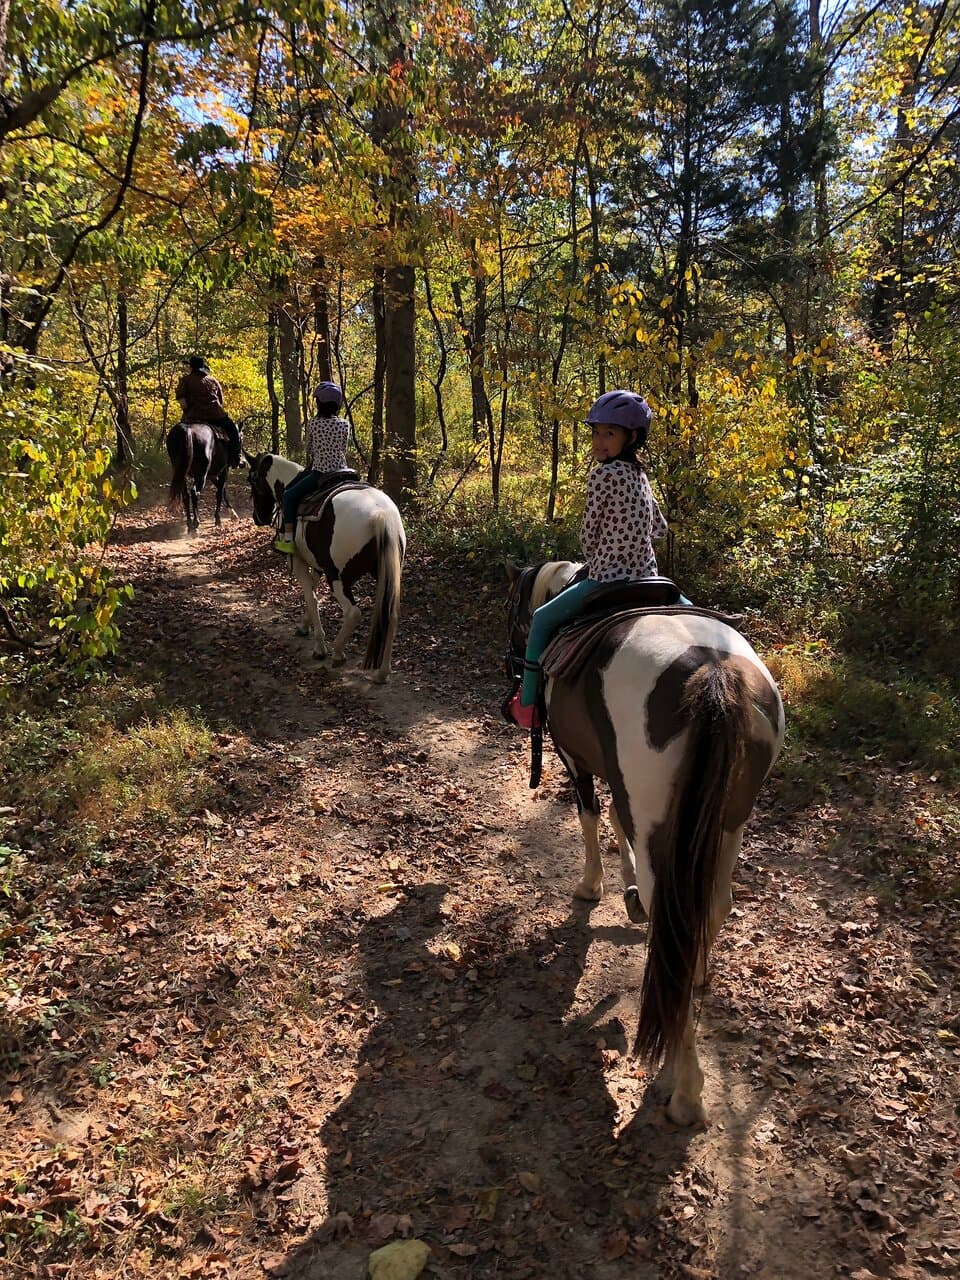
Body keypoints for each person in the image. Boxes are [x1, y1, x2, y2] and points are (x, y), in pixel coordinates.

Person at [505, 389, 669, 730]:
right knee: (693, 611)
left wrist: (601, 554)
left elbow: (588, 533)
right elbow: (660, 529)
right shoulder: (641, 475)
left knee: (541, 621)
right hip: (649, 578)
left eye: (609, 434)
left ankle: (528, 704)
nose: (599, 441)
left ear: (632, 437)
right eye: (596, 432)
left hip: (607, 578)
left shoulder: (601, 475)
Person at [273, 381, 357, 555]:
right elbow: (343, 449)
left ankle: (288, 540)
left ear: (319, 403)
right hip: (344, 472)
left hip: (320, 473)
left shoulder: (313, 424)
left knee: (288, 496)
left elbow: (310, 449)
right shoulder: (345, 424)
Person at [175, 355, 242, 467]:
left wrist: (187, 410)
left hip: (193, 417)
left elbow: (182, 401)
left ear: (191, 367)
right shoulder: (213, 381)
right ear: (202, 367)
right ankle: (236, 458)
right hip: (215, 416)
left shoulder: (185, 380)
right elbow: (220, 401)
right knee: (234, 432)